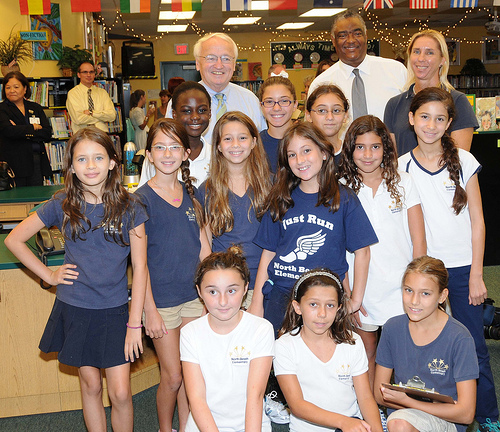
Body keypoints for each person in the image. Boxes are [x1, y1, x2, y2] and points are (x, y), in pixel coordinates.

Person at [4, 127, 148, 432]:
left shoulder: (130, 206)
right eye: (82, 159)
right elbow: (15, 239)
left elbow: (141, 266)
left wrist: (136, 323)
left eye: (98, 157)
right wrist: (49, 275)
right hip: (77, 306)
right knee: (91, 384)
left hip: (115, 309)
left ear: (112, 162)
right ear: (71, 166)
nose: (91, 165)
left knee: (121, 392)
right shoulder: (62, 202)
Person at [399, 87, 499, 431]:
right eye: (424, 117)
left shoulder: (465, 161)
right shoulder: (400, 167)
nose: (431, 125)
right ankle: (430, 410)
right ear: (411, 119)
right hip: (423, 272)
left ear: (449, 122)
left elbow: (477, 222)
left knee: (473, 346)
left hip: (460, 271)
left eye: (440, 118)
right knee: (423, 346)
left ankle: (487, 415)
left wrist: (476, 275)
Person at [248, 122, 378, 333]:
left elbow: (362, 251)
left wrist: (355, 299)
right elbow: (268, 252)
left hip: (324, 301)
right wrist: (257, 301)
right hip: (282, 297)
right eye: (292, 155)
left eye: (306, 151)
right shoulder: (280, 198)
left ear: (325, 153)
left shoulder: (343, 199)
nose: (300, 160)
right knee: (280, 362)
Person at [338, 115, 426, 388]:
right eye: (360, 147)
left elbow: (418, 240)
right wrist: (349, 293)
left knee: (401, 355)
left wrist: (417, 287)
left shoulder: (404, 181)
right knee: (366, 354)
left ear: (385, 149)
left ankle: (398, 410)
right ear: (350, 149)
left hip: (400, 287)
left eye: (375, 147)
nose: (367, 154)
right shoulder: (341, 186)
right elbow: (337, 246)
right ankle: (373, 411)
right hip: (360, 289)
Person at [135, 118, 210, 432]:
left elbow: (205, 251)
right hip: (161, 303)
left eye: (174, 147)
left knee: (191, 373)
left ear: (186, 153)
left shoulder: (194, 196)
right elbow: (139, 266)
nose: (167, 153)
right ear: (149, 154)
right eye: (159, 147)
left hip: (193, 299)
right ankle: (166, 428)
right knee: (173, 375)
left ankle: (186, 426)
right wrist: (148, 310)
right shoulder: (139, 200)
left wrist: (210, 298)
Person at [374, 256, 479, 432]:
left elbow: (466, 413)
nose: (414, 301)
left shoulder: (460, 338)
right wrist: (411, 404)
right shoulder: (392, 328)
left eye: (425, 293)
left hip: (445, 420)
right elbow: (379, 394)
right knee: (399, 424)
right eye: (408, 290)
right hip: (405, 414)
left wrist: (408, 401)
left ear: (442, 296)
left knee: (399, 425)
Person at [274, 268, 383, 432]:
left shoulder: (353, 342)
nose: (322, 313)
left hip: (352, 426)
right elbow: (297, 405)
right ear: (297, 307)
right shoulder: (285, 346)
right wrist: (343, 422)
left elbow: (366, 398)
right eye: (313, 304)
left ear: (339, 308)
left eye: (330, 305)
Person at [180, 246, 274, 432]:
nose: (222, 302)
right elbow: (197, 399)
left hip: (252, 426)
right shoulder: (190, 333)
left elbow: (255, 396)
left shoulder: (261, 329)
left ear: (246, 288)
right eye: (213, 292)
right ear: (199, 292)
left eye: (231, 291)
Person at [200, 111, 271, 310]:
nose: (236, 145)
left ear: (254, 142)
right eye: (228, 139)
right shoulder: (206, 191)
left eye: (242, 138)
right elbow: (205, 247)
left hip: (265, 284)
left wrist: (257, 298)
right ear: (219, 146)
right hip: (224, 288)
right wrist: (211, 288)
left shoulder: (271, 186)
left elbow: (276, 244)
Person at [384, 29, 478, 155]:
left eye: (429, 53)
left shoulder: (458, 101)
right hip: (404, 174)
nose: (421, 58)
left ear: (442, 60)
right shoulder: (394, 104)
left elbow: (459, 159)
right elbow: (392, 159)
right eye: (416, 52)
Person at [164, 33, 265, 145]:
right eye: (211, 58)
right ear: (198, 63)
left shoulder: (250, 100)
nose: (219, 65)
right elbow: (170, 145)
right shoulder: (180, 101)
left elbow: (261, 144)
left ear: (234, 64)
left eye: (226, 58)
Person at [308, 10, 407, 123]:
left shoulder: (396, 71)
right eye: (343, 35)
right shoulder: (321, 83)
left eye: (357, 34)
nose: (351, 40)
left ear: (366, 36)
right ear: (333, 40)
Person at [138, 81, 212, 188]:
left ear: (209, 113)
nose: (195, 116)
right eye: (186, 111)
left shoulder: (217, 156)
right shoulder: (158, 155)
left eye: (202, 110)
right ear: (174, 114)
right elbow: (144, 198)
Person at [0, 71, 53, 186]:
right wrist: (33, 128)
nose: (12, 90)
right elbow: (8, 131)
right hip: (13, 163)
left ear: (25, 89)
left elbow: (47, 133)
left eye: (16, 87)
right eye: (8, 87)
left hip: (36, 161)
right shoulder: (2, 109)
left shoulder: (35, 107)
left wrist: (20, 130)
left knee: (36, 198)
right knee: (17, 199)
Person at [258, 76, 298, 172]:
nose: (276, 108)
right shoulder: (254, 145)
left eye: (284, 101)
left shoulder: (308, 140)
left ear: (295, 105)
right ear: (261, 107)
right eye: (269, 102)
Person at [66, 61, 116, 134]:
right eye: (85, 72)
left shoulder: (102, 93)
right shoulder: (73, 93)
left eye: (91, 72)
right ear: (79, 75)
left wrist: (92, 113)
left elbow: (112, 116)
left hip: (102, 135)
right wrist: (100, 118)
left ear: (94, 74)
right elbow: (78, 119)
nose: (88, 75)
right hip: (82, 135)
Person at [305, 84, 349, 166]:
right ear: (308, 115)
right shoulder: (302, 156)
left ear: (345, 116)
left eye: (336, 110)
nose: (330, 117)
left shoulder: (353, 153)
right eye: (321, 111)